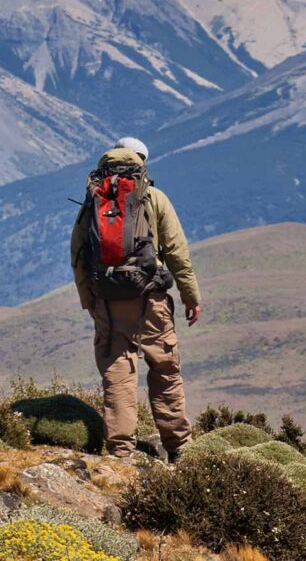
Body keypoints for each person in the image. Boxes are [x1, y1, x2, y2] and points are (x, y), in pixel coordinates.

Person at [70, 136, 201, 460]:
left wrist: (89, 300)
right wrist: (190, 296)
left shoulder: (94, 200)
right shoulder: (153, 197)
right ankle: (179, 447)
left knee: (118, 370)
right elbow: (176, 252)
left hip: (109, 299)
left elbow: (78, 253)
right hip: (150, 297)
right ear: (142, 162)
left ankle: (120, 451)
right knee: (165, 369)